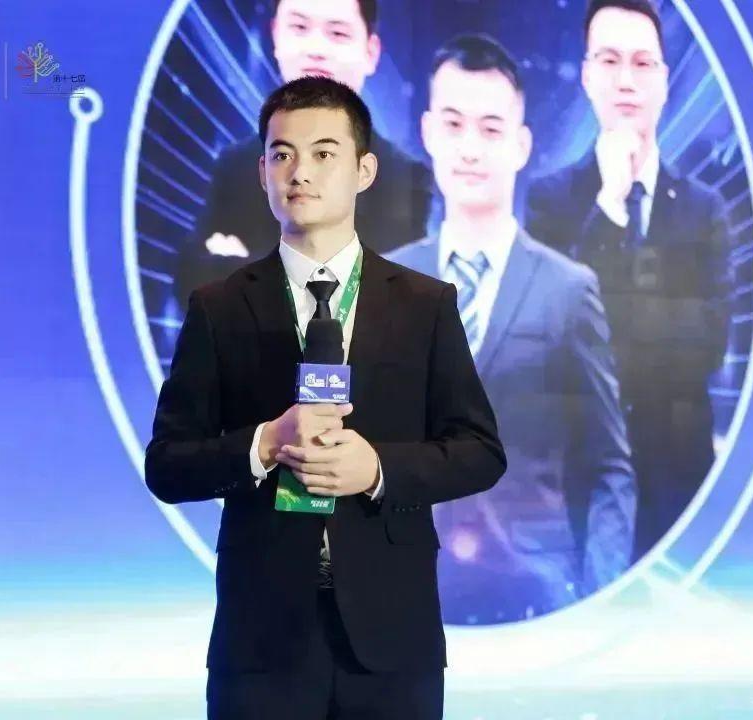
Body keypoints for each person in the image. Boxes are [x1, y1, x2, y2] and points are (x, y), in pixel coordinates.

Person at [146, 76, 505, 719]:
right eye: (282, 154)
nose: (300, 172)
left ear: (364, 170)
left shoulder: (424, 305)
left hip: (392, 638)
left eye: (323, 153)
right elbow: (167, 466)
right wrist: (264, 443)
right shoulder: (218, 308)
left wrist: (379, 469)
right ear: (261, 172)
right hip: (261, 640)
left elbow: (479, 451)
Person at [386, 34, 634, 624]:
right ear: (428, 133)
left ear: (521, 146)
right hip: (401, 593)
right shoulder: (379, 284)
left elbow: (609, 467)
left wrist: (599, 598)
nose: (470, 148)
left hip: (536, 600)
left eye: (490, 129)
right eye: (454, 125)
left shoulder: (568, 290)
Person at [526, 0, 731, 561]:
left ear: (664, 81)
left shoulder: (704, 209)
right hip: (579, 483)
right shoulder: (550, 202)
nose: (626, 80)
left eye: (643, 63)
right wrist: (610, 209)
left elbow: (710, 343)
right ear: (587, 75)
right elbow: (553, 337)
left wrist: (612, 329)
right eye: (609, 60)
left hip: (682, 483)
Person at [174, 0, 432, 309]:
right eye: (299, 27)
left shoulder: (404, 180)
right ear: (275, 36)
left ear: (371, 52)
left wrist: (245, 274)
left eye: (337, 33)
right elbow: (192, 286)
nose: (316, 49)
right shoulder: (235, 168)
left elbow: (385, 306)